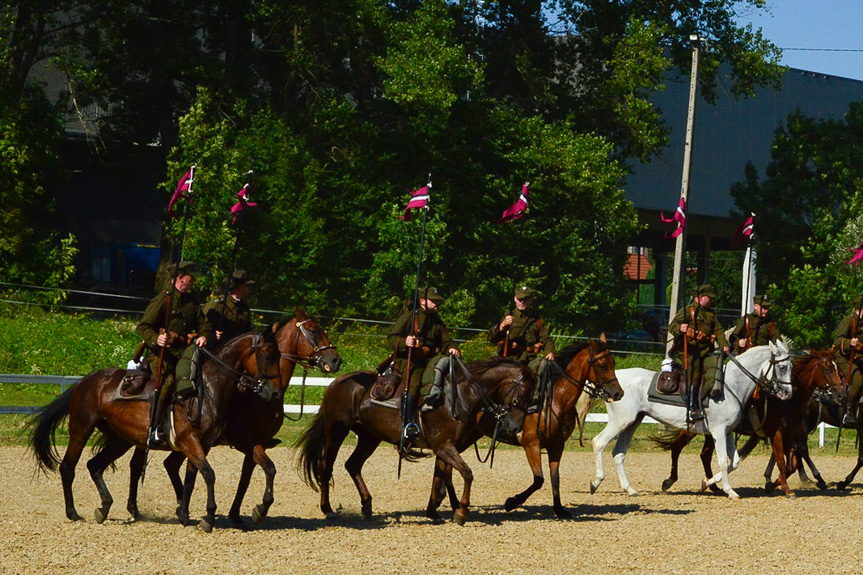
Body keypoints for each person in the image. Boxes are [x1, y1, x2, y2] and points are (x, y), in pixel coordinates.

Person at [136, 260, 212, 446]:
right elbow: (143, 326)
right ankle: (153, 428)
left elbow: (205, 324)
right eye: (190, 278)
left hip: (185, 350)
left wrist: (204, 335)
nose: (193, 281)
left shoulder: (192, 300)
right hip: (163, 353)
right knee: (167, 382)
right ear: (179, 278)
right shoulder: (164, 300)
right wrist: (156, 339)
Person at [387, 287, 460, 440]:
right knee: (414, 382)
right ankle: (407, 424)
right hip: (409, 359)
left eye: (438, 301)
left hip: (428, 360)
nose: (437, 304)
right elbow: (392, 337)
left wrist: (452, 348)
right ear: (422, 301)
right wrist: (404, 342)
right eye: (433, 301)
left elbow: (446, 340)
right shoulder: (409, 317)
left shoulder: (437, 322)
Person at [487, 285, 555, 413]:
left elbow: (547, 339)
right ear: (515, 299)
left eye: (525, 299)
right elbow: (491, 338)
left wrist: (550, 352)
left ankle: (534, 400)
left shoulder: (537, 321)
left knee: (542, 365)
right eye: (519, 299)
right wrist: (502, 326)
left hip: (529, 359)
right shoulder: (508, 317)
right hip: (509, 358)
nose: (522, 302)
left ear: (531, 300)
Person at [667, 284, 730, 421]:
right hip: (689, 351)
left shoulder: (711, 314)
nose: (711, 300)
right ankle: (691, 407)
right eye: (709, 298)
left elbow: (718, 330)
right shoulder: (687, 311)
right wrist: (681, 328)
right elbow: (672, 326)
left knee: (715, 370)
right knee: (693, 373)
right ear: (700, 298)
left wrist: (724, 345)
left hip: (705, 350)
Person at [833, 296, 863, 427]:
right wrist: (849, 343)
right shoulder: (848, 321)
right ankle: (849, 411)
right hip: (844, 358)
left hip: (859, 358)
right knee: (858, 380)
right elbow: (837, 341)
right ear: (859, 309)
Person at [203, 269, 254, 344]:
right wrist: (212, 335)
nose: (249, 289)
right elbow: (203, 324)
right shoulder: (219, 304)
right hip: (217, 348)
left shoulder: (244, 307)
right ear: (239, 287)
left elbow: (248, 329)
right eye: (247, 286)